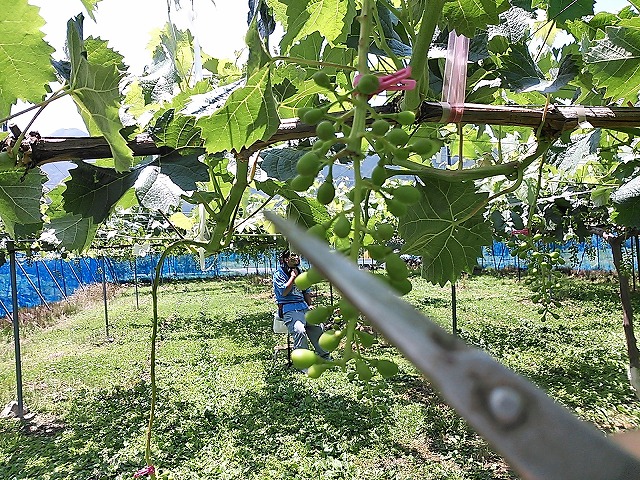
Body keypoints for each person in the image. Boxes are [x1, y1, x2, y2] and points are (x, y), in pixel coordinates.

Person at [273, 249, 331, 363]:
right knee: (299, 330)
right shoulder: (279, 274)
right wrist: (292, 277)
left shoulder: (301, 272)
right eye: (293, 256)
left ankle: (325, 356)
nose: (297, 258)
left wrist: (310, 306)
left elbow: (305, 292)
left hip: (303, 307)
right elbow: (283, 292)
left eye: (298, 255)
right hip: (289, 308)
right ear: (286, 259)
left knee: (318, 327)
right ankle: (303, 361)